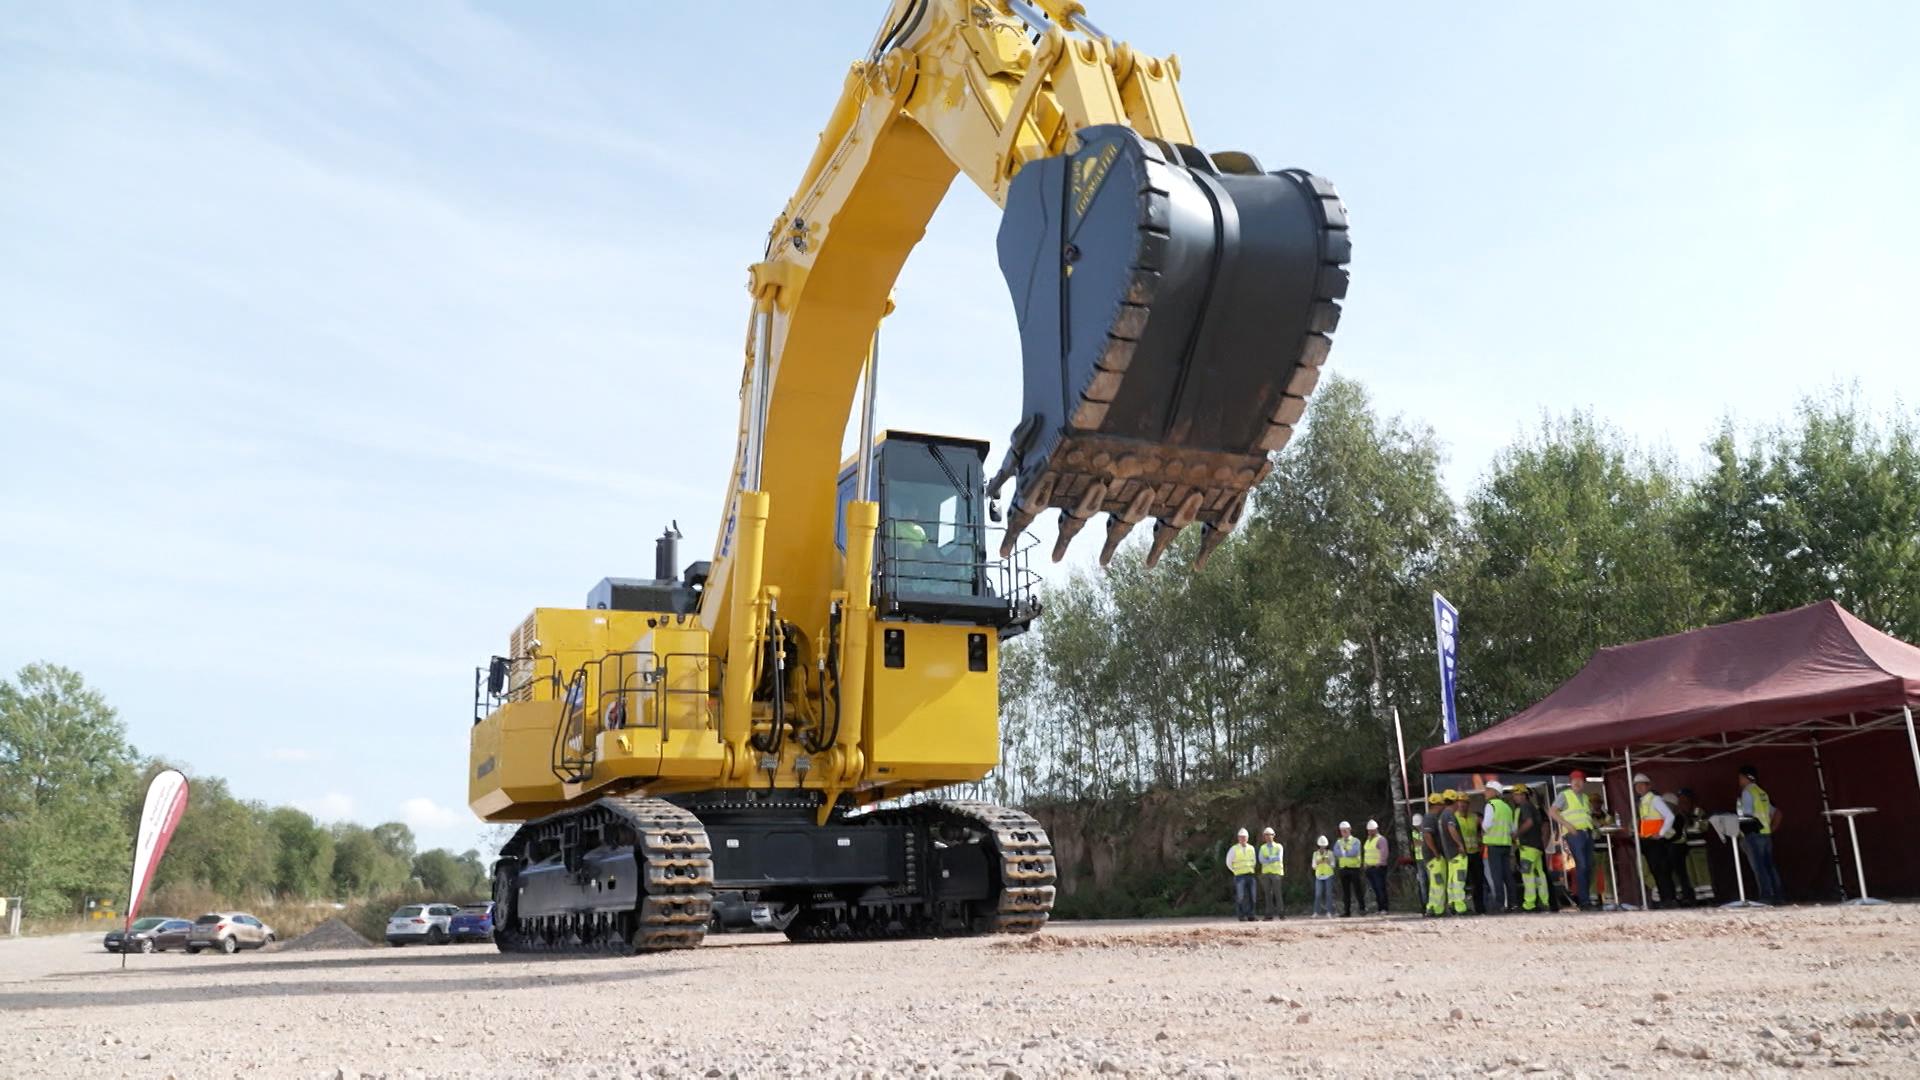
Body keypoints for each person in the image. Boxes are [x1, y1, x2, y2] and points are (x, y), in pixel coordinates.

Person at [1632, 773, 1686, 908]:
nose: (1638, 787)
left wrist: (1661, 833)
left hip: (1655, 841)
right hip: (1647, 840)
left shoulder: (1655, 799)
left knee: (1662, 871)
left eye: (1641, 784)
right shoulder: (1642, 801)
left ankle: (1669, 899)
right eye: (1636, 785)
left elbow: (1669, 817)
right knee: (1656, 871)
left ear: (1648, 786)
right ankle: (1665, 899)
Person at [1736, 765, 1786, 903]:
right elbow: (1775, 812)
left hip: (1753, 834)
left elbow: (1747, 815)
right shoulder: (1762, 792)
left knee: (1759, 867)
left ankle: (1766, 897)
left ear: (1746, 777)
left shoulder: (1747, 792)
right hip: (1766, 834)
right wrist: (1771, 828)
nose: (1739, 781)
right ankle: (1778, 896)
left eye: (1740, 777)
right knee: (1770, 866)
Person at [1550, 770, 1597, 910]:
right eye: (1574, 780)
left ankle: (1585, 898)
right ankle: (1584, 901)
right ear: (1570, 782)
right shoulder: (1564, 795)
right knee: (1582, 866)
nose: (1577, 782)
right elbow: (1552, 811)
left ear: (1584, 783)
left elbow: (1586, 815)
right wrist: (1568, 826)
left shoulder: (1585, 798)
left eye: (1580, 780)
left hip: (1587, 833)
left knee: (1588, 867)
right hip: (1575, 834)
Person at [1512, 784, 1548, 913]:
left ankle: (1529, 903)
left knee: (1527, 875)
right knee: (1539, 875)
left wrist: (1516, 834)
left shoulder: (1525, 806)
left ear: (1522, 795)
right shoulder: (1533, 807)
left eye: (1516, 794)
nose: (1514, 797)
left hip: (1527, 846)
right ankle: (1544, 901)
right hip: (1536, 846)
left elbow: (1529, 822)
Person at [1480, 781, 1515, 914]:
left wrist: (1482, 828)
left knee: (1496, 876)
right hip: (1506, 845)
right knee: (1507, 875)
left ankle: (1499, 904)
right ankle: (1513, 903)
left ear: (1495, 792)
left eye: (1488, 790)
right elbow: (1513, 828)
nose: (1485, 792)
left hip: (1493, 845)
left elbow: (1486, 824)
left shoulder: (1490, 805)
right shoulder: (1507, 807)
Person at [1674, 788, 1714, 901]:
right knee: (1692, 875)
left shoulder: (1698, 811)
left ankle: (1708, 898)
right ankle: (1699, 898)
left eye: (1684, 798)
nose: (1682, 802)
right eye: (1680, 799)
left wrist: (1691, 823)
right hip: (1686, 849)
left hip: (1699, 847)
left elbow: (1704, 826)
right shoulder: (1680, 814)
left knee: (1702, 873)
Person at [1458, 788, 1486, 914]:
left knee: (1478, 882)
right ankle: (1462, 907)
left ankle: (1479, 908)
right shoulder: (1454, 818)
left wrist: (1482, 842)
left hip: (1475, 854)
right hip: (1462, 855)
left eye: (1465, 803)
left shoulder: (1474, 817)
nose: (1463, 805)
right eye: (1461, 803)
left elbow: (1484, 829)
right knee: (1461, 882)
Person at [1421, 795, 1448, 917]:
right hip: (1433, 857)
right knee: (1438, 882)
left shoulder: (1432, 817)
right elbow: (1427, 836)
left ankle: (1433, 907)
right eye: (1442, 804)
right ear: (1437, 805)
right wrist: (1436, 853)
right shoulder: (1430, 818)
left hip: (1433, 856)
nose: (1443, 807)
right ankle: (1436, 909)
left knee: (1436, 883)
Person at [1226, 827, 1259, 921]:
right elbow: (1228, 862)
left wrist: (1251, 868)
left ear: (1247, 838)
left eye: (1244, 837)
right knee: (1241, 896)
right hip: (1239, 876)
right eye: (1241, 837)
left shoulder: (1251, 848)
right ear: (1238, 838)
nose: (1243, 839)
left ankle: (1251, 915)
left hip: (1250, 875)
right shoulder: (1234, 849)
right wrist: (1234, 870)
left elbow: (1254, 861)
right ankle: (1241, 915)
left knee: (1253, 896)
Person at [1332, 822, 1364, 917]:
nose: (1344, 832)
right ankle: (1347, 911)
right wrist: (1346, 853)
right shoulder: (1338, 842)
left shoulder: (1356, 841)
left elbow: (1354, 852)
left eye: (1345, 830)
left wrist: (1344, 853)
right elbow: (1336, 852)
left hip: (1354, 868)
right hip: (1343, 869)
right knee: (1346, 892)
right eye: (1342, 831)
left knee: (1358, 889)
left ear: (1350, 830)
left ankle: (1362, 908)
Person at [1256, 827, 1285, 921]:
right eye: (1266, 835)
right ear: (1264, 836)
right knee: (1267, 894)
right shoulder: (1262, 847)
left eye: (1270, 835)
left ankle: (1281, 914)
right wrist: (1272, 858)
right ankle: (1269, 915)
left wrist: (1268, 858)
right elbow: (1261, 860)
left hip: (1276, 873)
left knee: (1278, 894)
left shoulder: (1279, 846)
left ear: (1274, 835)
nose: (1268, 837)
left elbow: (1279, 858)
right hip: (1266, 874)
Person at [1363, 819, 1390, 914]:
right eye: (1369, 830)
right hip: (1370, 868)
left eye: (1372, 830)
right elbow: (1367, 853)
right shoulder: (1368, 840)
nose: (1370, 832)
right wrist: (1365, 863)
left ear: (1376, 829)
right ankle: (1380, 908)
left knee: (1380, 888)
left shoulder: (1381, 839)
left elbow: (1384, 852)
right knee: (1375, 889)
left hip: (1378, 868)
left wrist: (1380, 862)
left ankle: (1384, 908)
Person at [1311, 836, 1336, 918]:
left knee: (1328, 894)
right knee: (1318, 894)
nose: (1322, 847)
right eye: (1321, 846)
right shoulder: (1315, 854)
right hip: (1319, 876)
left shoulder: (1330, 853)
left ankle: (1329, 912)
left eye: (1324, 846)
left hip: (1328, 876)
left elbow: (1333, 865)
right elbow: (1313, 866)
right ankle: (1316, 912)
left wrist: (1328, 861)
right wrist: (1318, 862)